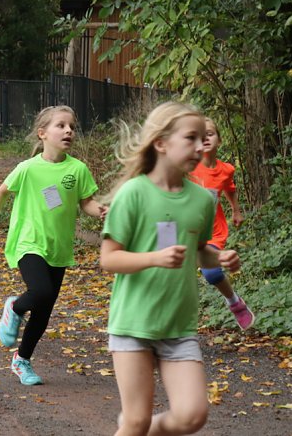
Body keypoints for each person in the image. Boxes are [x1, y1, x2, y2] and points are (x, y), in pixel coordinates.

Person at [99, 101, 242, 436]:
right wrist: (154, 258)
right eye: (191, 138)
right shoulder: (133, 194)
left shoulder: (202, 199)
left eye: (203, 138)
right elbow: (109, 259)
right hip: (134, 323)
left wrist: (219, 258)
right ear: (161, 143)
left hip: (179, 326)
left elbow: (199, 253)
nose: (200, 146)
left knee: (192, 416)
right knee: (135, 420)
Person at [0, 105, 106, 385]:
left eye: (72, 127)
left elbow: (86, 203)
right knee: (41, 291)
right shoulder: (28, 168)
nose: (68, 130)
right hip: (29, 242)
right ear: (42, 133)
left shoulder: (78, 169)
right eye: (61, 125)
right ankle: (14, 307)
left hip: (59, 247)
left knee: (44, 308)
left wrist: (101, 211)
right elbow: (1, 192)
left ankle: (22, 360)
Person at [190, 116, 253, 329]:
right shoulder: (187, 167)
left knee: (213, 273)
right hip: (186, 231)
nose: (205, 138)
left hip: (213, 231)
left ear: (219, 139)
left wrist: (236, 211)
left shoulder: (226, 170)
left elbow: (229, 188)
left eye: (210, 134)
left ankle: (235, 303)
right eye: (200, 135)